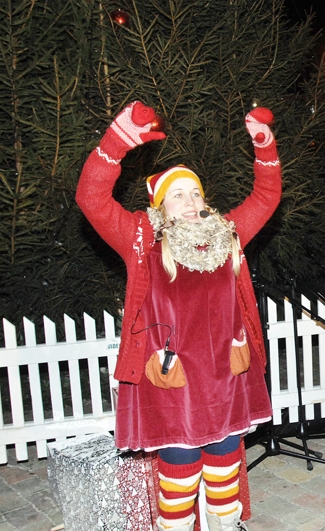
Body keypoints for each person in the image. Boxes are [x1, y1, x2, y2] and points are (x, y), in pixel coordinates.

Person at [76, 102, 281, 531]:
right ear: (160, 205)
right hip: (172, 387)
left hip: (225, 380)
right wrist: (115, 144)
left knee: (224, 469)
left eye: (195, 193)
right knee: (180, 477)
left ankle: (225, 525)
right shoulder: (141, 239)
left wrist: (264, 146)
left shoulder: (227, 234)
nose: (190, 201)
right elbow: (90, 198)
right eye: (178, 194)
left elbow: (267, 196)